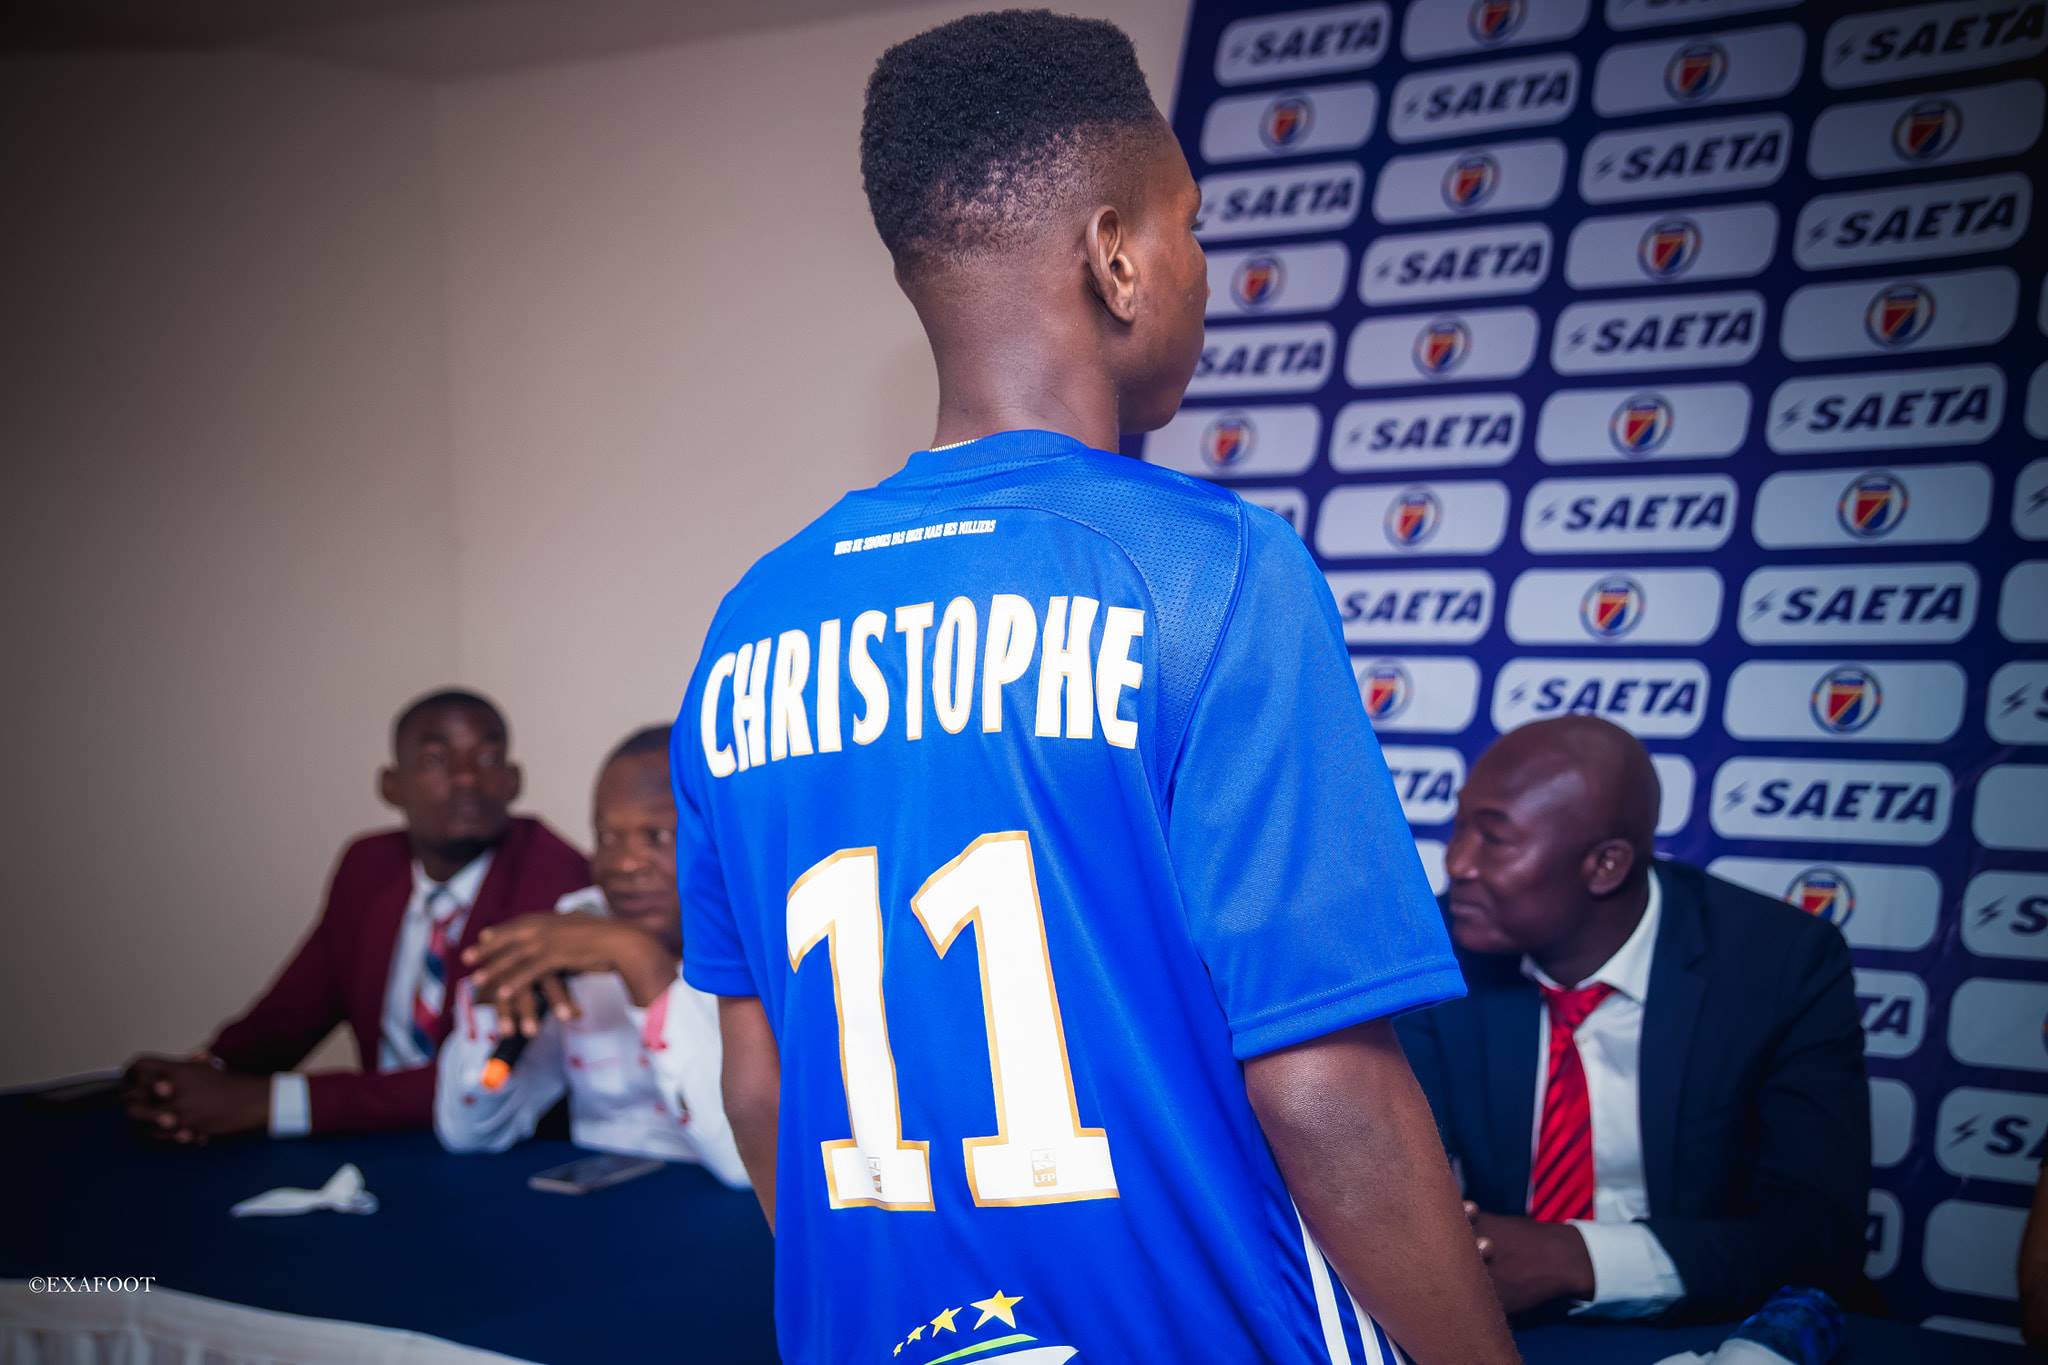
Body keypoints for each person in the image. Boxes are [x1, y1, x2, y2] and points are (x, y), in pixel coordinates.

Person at [668, 12, 1517, 1364]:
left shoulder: (748, 621)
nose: (1200, 268)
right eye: (1190, 226)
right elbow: (1322, 1087)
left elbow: (761, 1085)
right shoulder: (1212, 571)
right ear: (1116, 256)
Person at [1395, 716, 1869, 1323]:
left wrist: (1577, 1256)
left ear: (1606, 866)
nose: (1457, 863)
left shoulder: (1781, 965)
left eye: (1494, 838)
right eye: (1459, 827)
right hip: (1509, 1329)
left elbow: (1818, 1238)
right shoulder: (1432, 951)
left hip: (1719, 1322)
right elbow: (1398, 1173)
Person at [123, 690, 588, 1141]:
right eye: (435, 761)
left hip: (495, 1153)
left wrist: (265, 1102)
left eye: (486, 759)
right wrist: (198, 1077)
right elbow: (296, 1008)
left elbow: (486, 1077)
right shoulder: (369, 866)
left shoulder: (554, 878)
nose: (466, 778)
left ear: (513, 781)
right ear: (391, 786)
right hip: (368, 1146)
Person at [434, 726, 746, 1186]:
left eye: (656, 836)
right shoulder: (575, 937)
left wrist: (639, 961)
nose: (624, 864)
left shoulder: (765, 948)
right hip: (600, 1222)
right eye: (607, 837)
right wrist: (493, 1018)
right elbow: (471, 1134)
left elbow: (743, 1167)